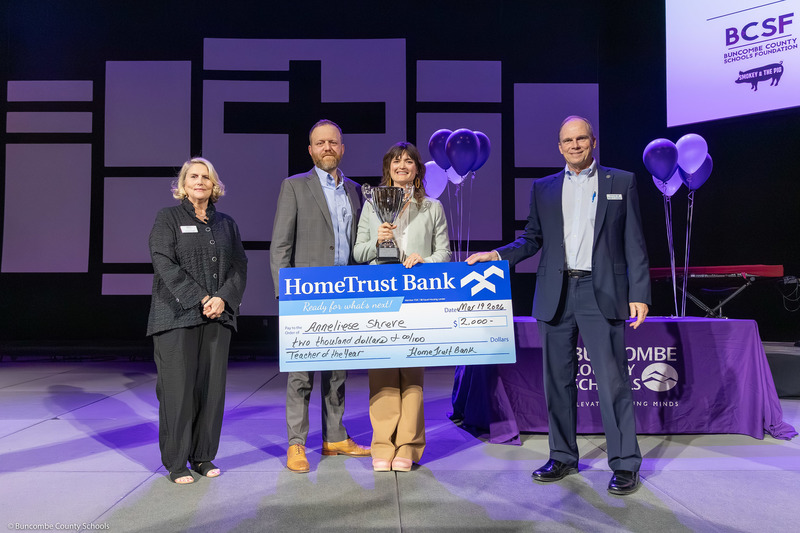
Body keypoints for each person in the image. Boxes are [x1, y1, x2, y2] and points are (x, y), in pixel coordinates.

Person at [467, 116, 651, 496]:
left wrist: (640, 293)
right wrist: (498, 255)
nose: (575, 145)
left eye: (581, 138)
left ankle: (625, 464)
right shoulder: (544, 188)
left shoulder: (621, 181)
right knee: (557, 383)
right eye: (567, 140)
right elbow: (532, 239)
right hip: (556, 292)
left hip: (602, 293)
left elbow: (635, 242)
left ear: (593, 141)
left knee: (613, 381)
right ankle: (563, 456)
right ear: (559, 147)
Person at [270, 119, 370, 473]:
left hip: (346, 294)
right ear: (311, 150)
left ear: (342, 149)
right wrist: (285, 296)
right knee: (301, 374)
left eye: (333, 142)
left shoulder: (358, 190)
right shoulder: (295, 186)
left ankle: (335, 437)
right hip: (306, 297)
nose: (327, 147)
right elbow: (280, 245)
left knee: (338, 371)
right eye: (320, 143)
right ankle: (297, 444)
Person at [147, 157, 248, 484]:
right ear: (183, 184)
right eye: (194, 176)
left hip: (218, 318)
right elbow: (164, 263)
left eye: (206, 177)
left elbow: (239, 266)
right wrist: (202, 298)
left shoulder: (226, 223)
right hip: (175, 317)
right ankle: (177, 463)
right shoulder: (168, 218)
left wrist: (222, 299)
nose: (200, 181)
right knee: (177, 391)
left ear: (214, 184)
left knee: (211, 391)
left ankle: (203, 457)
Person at [354, 142, 451, 472]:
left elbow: (444, 255)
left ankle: (408, 445)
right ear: (388, 168)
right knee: (381, 369)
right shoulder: (372, 205)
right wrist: (377, 241)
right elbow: (358, 253)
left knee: (412, 374)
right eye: (396, 161)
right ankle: (382, 443)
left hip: (418, 297)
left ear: (417, 169)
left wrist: (423, 260)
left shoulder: (433, 207)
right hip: (380, 296)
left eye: (409, 161)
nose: (403, 165)